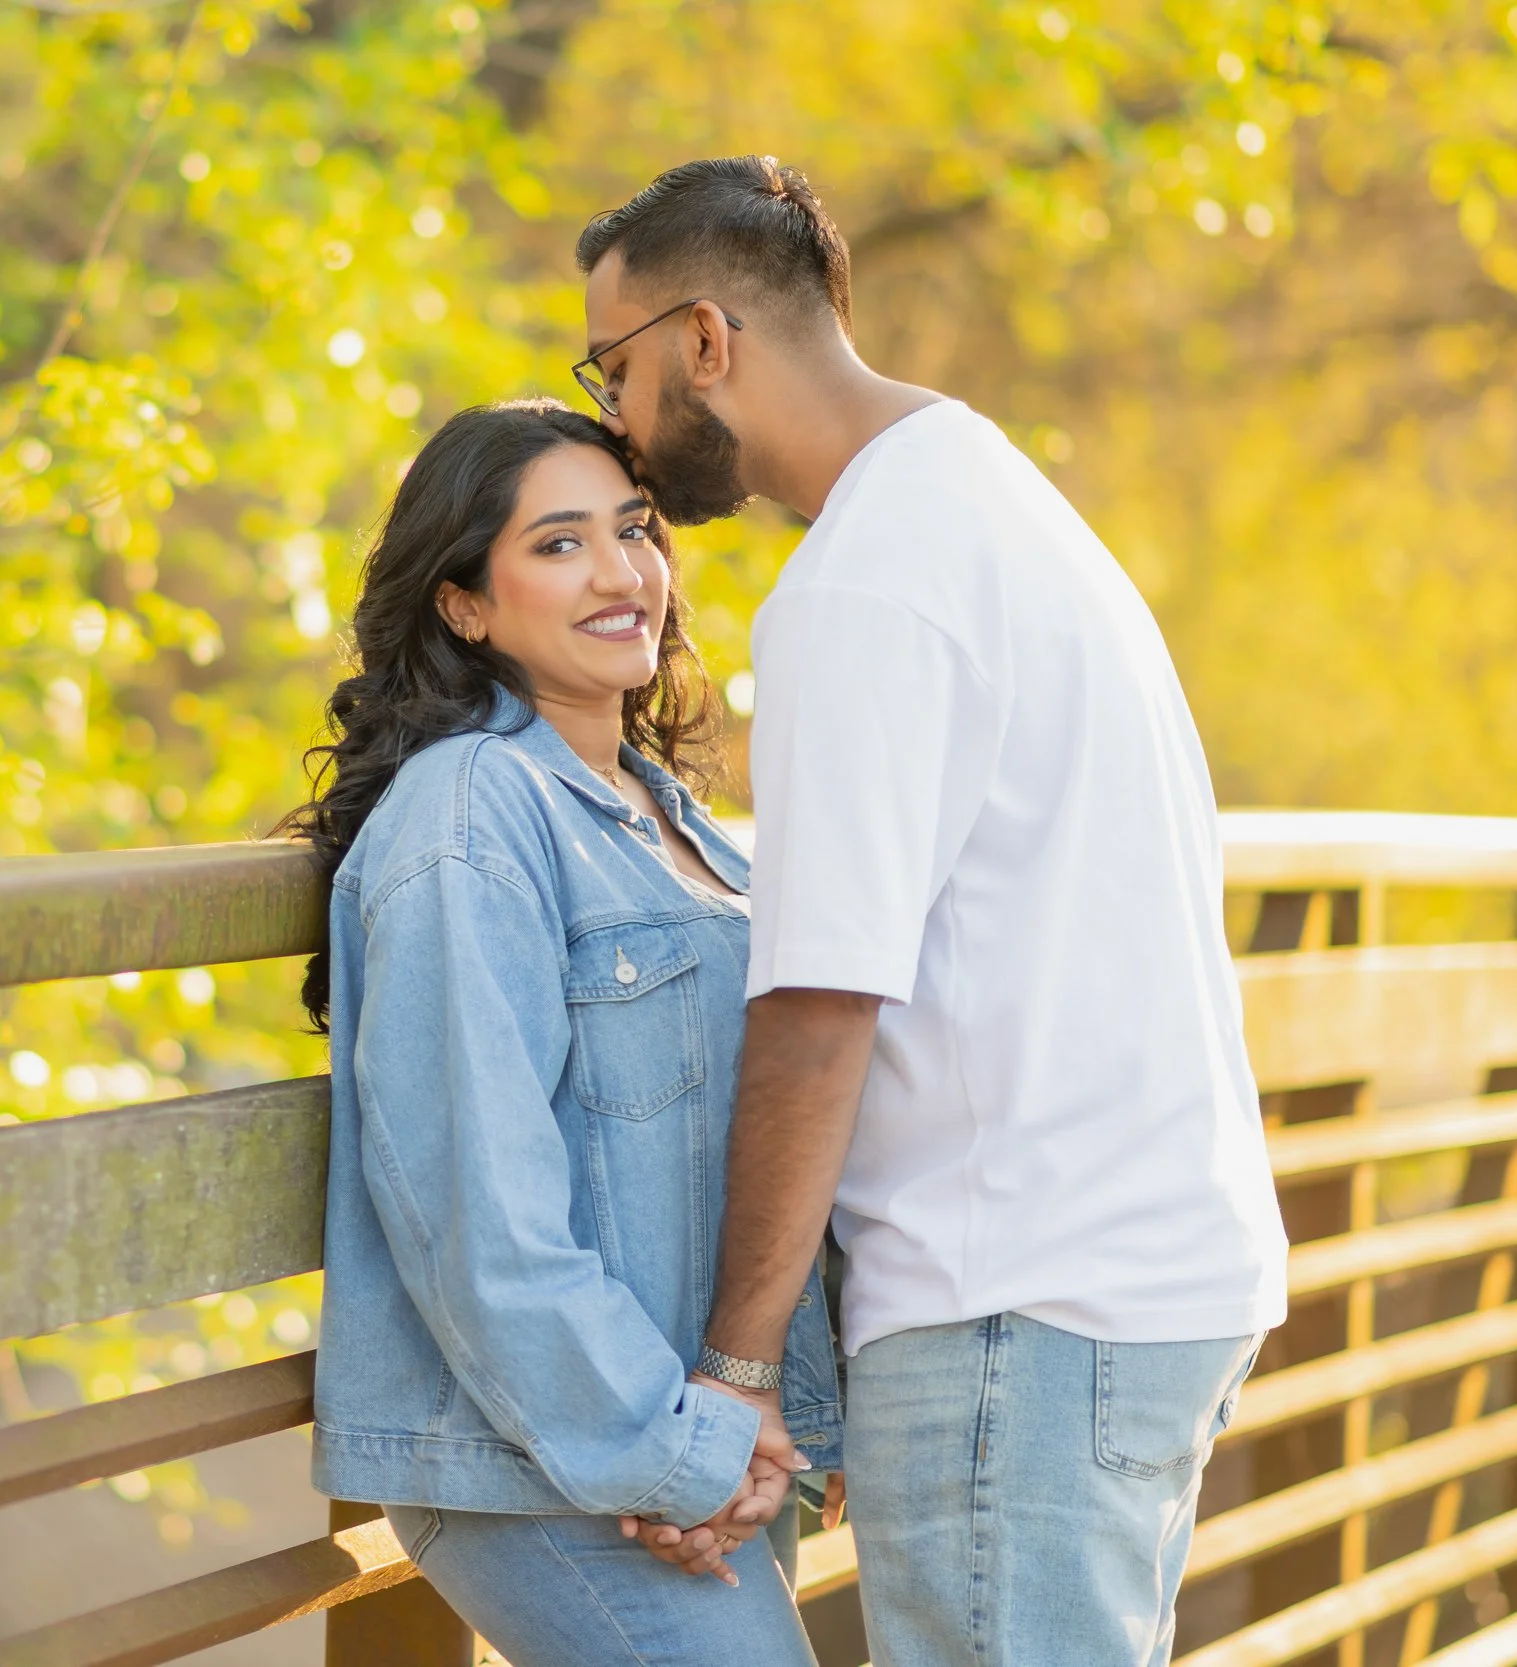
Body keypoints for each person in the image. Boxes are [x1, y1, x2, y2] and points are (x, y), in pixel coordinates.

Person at [572, 155, 1288, 1666]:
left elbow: (822, 1000)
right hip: (1140, 1279)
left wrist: (736, 1364)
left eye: (615, 368)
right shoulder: (995, 498)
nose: (619, 423)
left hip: (1017, 1311)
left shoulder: (860, 588)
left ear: (707, 342)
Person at [291, 398, 842, 1666]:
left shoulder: (666, 817)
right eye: (558, 543)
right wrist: (679, 1446)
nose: (619, 572)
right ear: (462, 603)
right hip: (548, 1454)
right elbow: (480, 1217)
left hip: (690, 1433)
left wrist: (763, 1421)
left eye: (635, 530)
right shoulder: (471, 818)